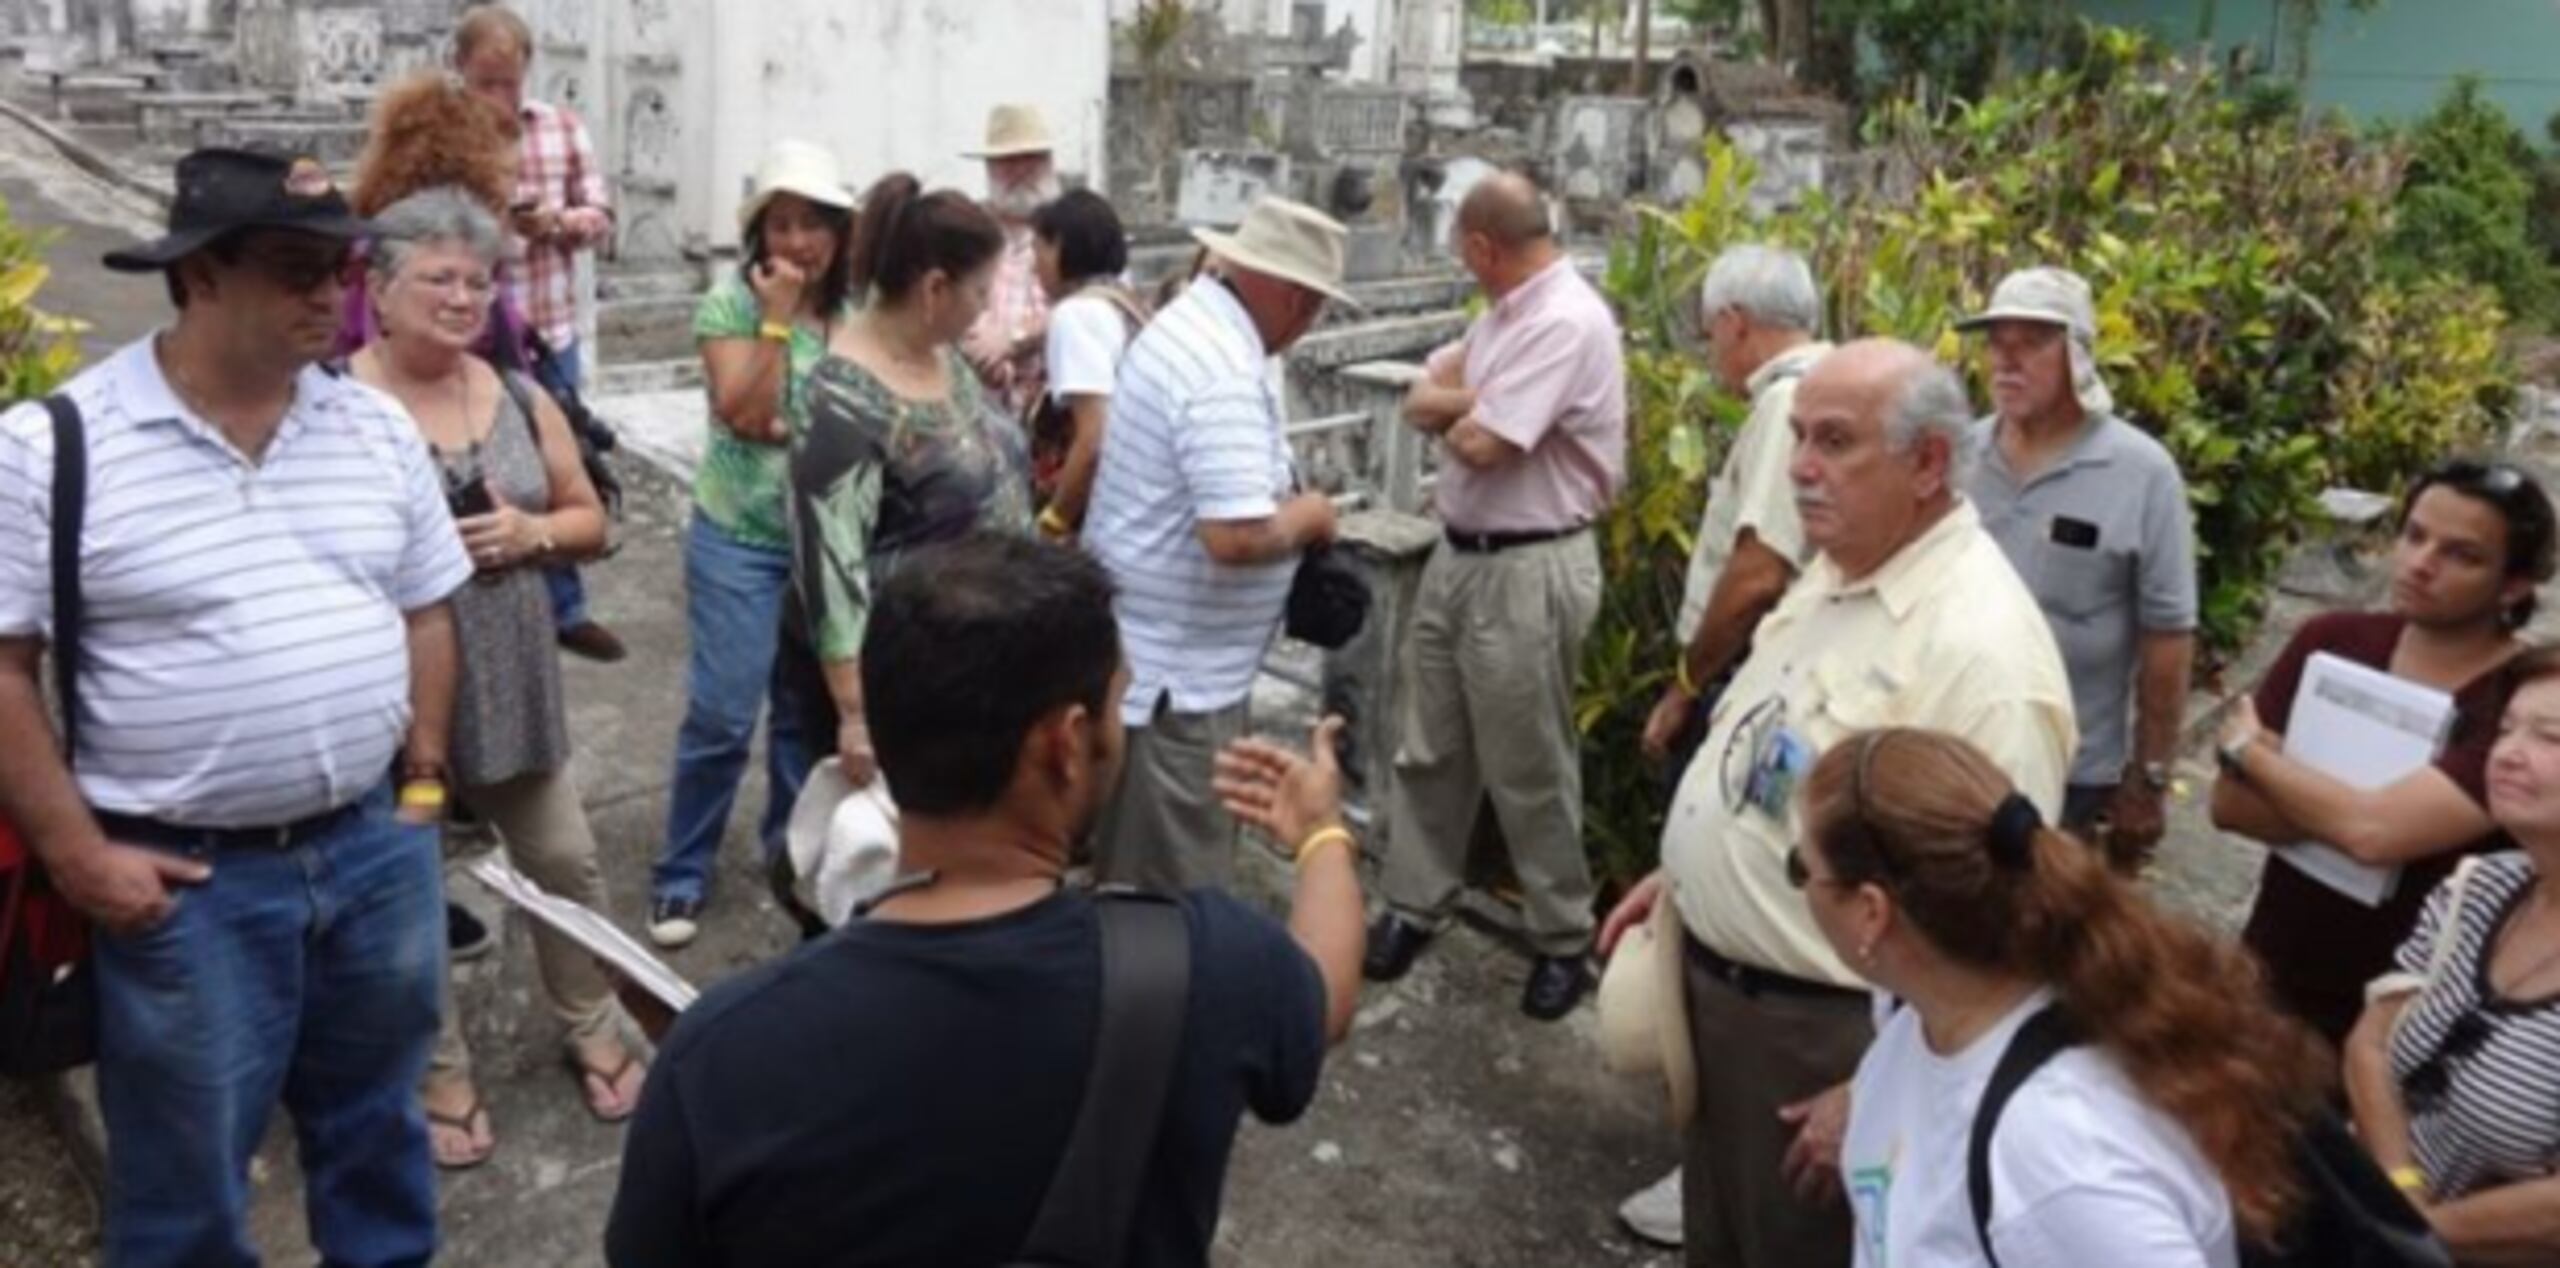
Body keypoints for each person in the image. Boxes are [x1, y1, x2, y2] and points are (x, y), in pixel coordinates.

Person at [602, 533, 1366, 1267]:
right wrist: (1322, 835)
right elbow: (1323, 994)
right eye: (1116, 703)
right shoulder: (1208, 968)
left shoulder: (718, 1054)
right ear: (1066, 743)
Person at [0, 147, 470, 1266]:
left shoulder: (371, 426)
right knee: (184, 1185)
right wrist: (77, 857)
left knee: (378, 1133)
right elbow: (4, 667)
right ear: (200, 274)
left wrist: (423, 781)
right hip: (185, 882)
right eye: (297, 266)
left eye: (341, 265)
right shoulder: (56, 446)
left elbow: (425, 610)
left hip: (373, 851)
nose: (332, 292)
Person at [1598, 339, 2077, 1268]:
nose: (1800, 470)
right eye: (1798, 439)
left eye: (1834, 442)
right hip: (1732, 1012)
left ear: (1928, 464)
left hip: (1828, 1043)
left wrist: (1873, 1092)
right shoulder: (1840, 567)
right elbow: (1774, 759)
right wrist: (1687, 867)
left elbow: (2010, 930)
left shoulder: (1983, 656)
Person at [350, 187, 645, 1167]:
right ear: (381, 288)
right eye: (438, 276)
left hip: (513, 679)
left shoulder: (519, 392)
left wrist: (532, 532)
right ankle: (438, 1063)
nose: (463, 294)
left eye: (479, 279)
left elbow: (590, 518)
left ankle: (592, 1017)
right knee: (406, 884)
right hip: (388, 695)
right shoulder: (338, 404)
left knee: (562, 859)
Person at [1806, 728, 2328, 1266]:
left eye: (1804, 871)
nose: (1801, 888)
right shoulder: (1917, 1014)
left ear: (1871, 912)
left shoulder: (2059, 1157)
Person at [1366, 171, 1628, 1021]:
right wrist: (1480, 398)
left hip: (1531, 563)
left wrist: (1471, 405)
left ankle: (1561, 937)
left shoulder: (1565, 320)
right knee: (1429, 742)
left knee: (1529, 760)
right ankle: (1416, 901)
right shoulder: (1506, 318)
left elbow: (1479, 445)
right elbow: (1420, 402)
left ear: (1483, 247)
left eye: (1460, 248)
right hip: (1460, 554)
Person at [1622, 244, 1832, 1248]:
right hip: (1769, 683)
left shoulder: (1791, 402)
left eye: (1712, 329)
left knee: (1723, 917)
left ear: (1739, 321)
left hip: (1756, 689)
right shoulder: (1815, 395)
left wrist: (1685, 684)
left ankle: (1711, 1153)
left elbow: (1757, 572)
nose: (1710, 348)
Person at [2212, 459, 2554, 1048]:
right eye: (2415, 536)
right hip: (2268, 973)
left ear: (2515, 585)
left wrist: (2255, 755)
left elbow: (2372, 836)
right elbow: (2229, 807)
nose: (2421, 564)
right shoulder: (2332, 641)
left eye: (2461, 555)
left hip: (2406, 1016)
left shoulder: (2518, 704)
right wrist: (2349, 814)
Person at [1079, 196, 1348, 893]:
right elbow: (1234, 535)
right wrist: (1312, 516)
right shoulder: (1221, 367)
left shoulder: (1198, 326)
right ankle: (1158, 1003)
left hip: (1160, 662)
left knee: (1142, 872)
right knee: (1169, 892)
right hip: (1176, 684)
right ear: (1294, 297)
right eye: (1315, 307)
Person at [645, 140, 856, 948]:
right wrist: (774, 324)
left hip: (826, 542)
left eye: (813, 224)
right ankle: (680, 872)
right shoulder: (731, 308)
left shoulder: (857, 310)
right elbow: (743, 412)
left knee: (806, 717)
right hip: (740, 537)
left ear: (839, 232)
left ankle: (796, 863)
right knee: (725, 714)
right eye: (782, 224)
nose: (797, 242)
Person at [779, 172, 1034, 788]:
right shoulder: (841, 402)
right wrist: (856, 716)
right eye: (980, 291)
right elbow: (830, 570)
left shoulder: (944, 357)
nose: (986, 308)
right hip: (903, 682)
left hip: (974, 657)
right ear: (934, 288)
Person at [1960, 267, 2197, 872]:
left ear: (2079, 355)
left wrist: (2149, 778)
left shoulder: (2142, 473)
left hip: (2072, 774)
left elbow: (2167, 636)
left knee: (2048, 938)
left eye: (2032, 343)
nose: (2007, 362)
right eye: (1996, 343)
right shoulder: (1960, 456)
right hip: (1956, 754)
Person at [2348, 647, 2560, 1260]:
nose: (2510, 753)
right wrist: (2399, 1189)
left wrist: (2421, 1237)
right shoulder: (2480, 885)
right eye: (2507, 729)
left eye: (2550, 737)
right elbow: (2372, 1042)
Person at [454, 3, 626, 663]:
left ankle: (567, 608)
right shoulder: (443, 137)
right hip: (469, 335)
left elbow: (601, 214)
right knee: (479, 465)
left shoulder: (560, 128)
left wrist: (553, 224)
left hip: (548, 326)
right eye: (485, 81)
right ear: (461, 69)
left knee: (561, 464)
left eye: (510, 81)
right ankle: (481, 602)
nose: (499, 97)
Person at [1029, 187, 1146, 538]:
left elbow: (1093, 437)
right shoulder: (1126, 304)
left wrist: (1053, 522)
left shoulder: (1075, 316)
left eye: (1038, 250)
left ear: (1060, 247)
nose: (1035, 267)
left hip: (1099, 516)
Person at [959, 103, 1059, 416]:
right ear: (989, 167)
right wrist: (983, 351)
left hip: (1055, 417)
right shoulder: (966, 228)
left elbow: (1099, 302)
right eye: (1008, 161)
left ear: (1050, 163)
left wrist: (1015, 339)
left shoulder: (1078, 227)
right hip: (981, 413)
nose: (1020, 172)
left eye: (1031, 160)